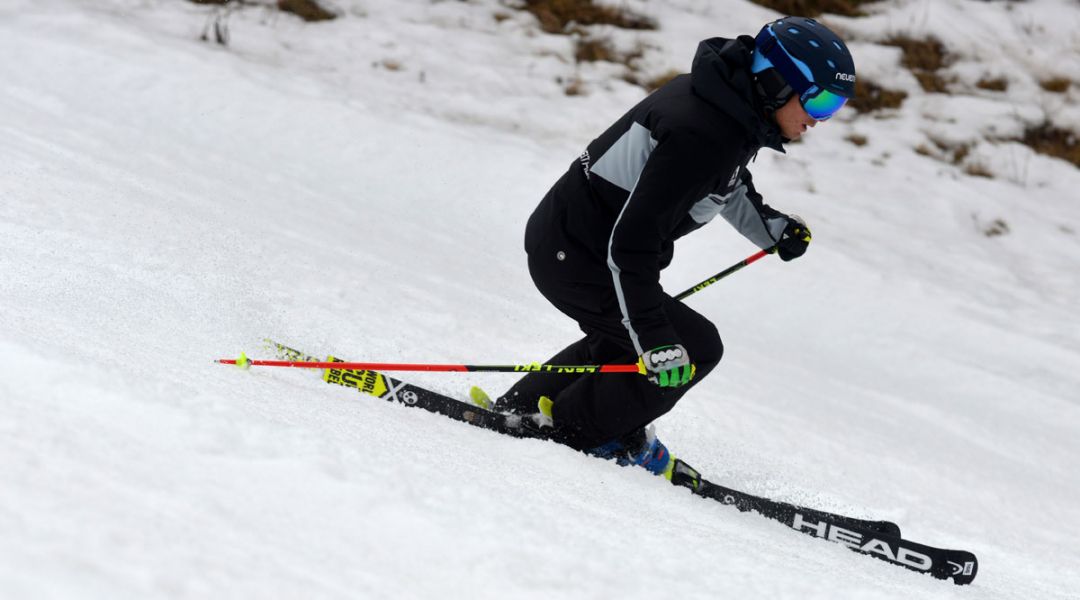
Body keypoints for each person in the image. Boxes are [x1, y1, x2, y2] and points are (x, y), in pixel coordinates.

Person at [491, 16, 856, 478]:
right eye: (819, 100)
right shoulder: (704, 133)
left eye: (835, 106)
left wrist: (772, 230)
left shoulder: (727, 108)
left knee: (635, 342)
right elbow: (631, 246)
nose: (819, 120)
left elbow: (725, 183)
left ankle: (525, 407)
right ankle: (570, 432)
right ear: (776, 81)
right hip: (579, 256)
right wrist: (657, 339)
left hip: (570, 242)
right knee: (692, 347)